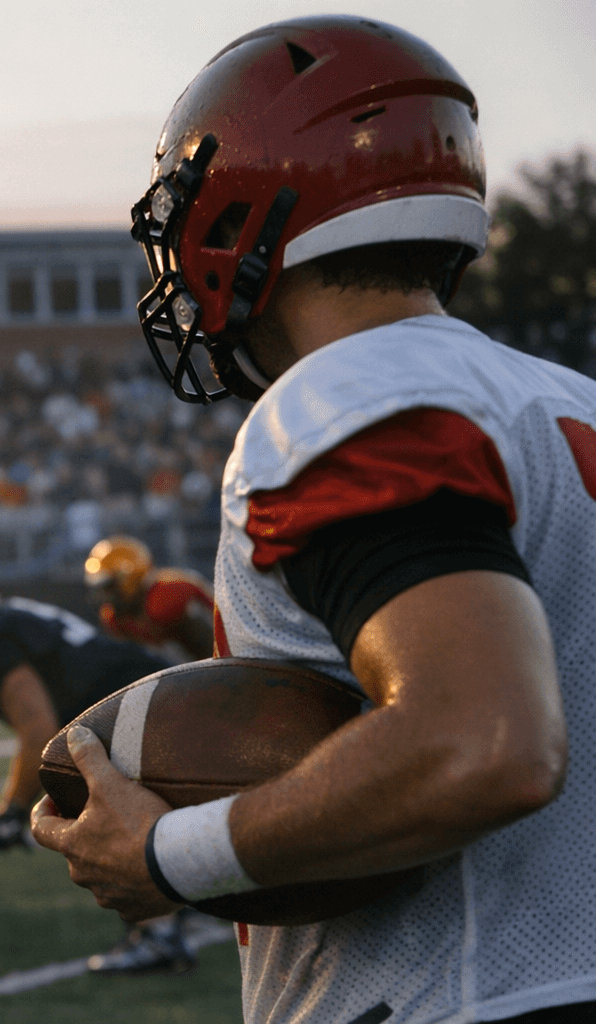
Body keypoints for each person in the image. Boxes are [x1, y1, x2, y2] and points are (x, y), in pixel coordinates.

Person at [33, 16, 596, 1023]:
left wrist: (170, 853)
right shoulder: (565, 401)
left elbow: (487, 740)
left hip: (446, 998)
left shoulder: (348, 396)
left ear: (238, 208)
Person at [0, 549, 227, 973]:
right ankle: (186, 898)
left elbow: (38, 728)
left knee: (115, 822)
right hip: (157, 701)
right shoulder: (6, 620)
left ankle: (159, 935)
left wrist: (11, 809)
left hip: (147, 714)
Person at [84, 535, 215, 662]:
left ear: (128, 576)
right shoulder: (114, 617)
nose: (103, 595)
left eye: (108, 587)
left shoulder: (163, 598)